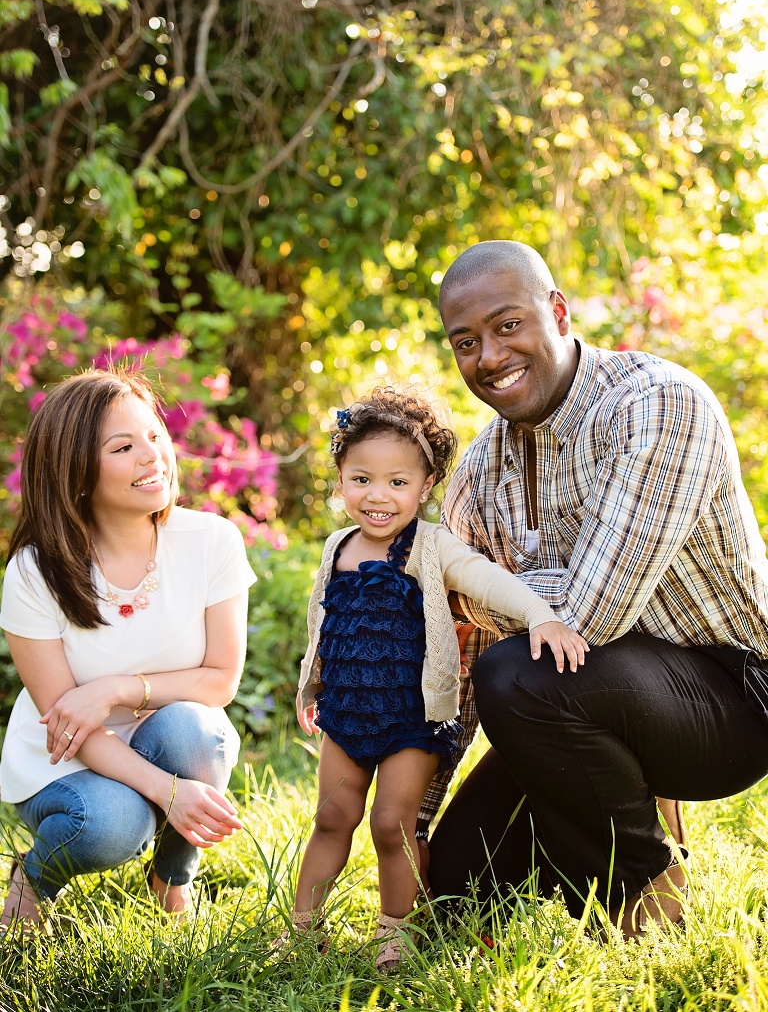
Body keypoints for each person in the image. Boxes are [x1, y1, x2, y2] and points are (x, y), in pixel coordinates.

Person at [417, 238, 768, 938]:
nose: (488, 357)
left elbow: (589, 615)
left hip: (734, 696)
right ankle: (596, 820)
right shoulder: (480, 472)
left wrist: (466, 588)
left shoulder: (658, 404)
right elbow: (454, 662)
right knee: (452, 890)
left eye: (507, 325)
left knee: (516, 670)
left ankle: (644, 879)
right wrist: (416, 818)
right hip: (583, 695)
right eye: (465, 342)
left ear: (558, 312)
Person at [284, 386, 587, 969]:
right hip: (348, 712)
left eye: (399, 482)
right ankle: (303, 928)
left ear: (425, 488)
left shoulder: (432, 546)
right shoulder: (336, 546)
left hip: (412, 718)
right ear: (340, 478)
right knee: (331, 816)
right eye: (362, 478)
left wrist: (541, 615)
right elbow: (325, 624)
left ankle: (393, 931)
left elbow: (486, 578)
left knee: (391, 825)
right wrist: (312, 686)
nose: (379, 496)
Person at [0, 368, 256, 934]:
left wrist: (120, 689)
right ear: (77, 473)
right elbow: (69, 722)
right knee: (112, 823)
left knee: (199, 732)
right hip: (62, 757)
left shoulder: (212, 541)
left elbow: (219, 681)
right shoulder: (34, 571)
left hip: (163, 732)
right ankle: (33, 879)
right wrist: (168, 791)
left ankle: (172, 877)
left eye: (155, 436)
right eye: (124, 446)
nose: (153, 456)